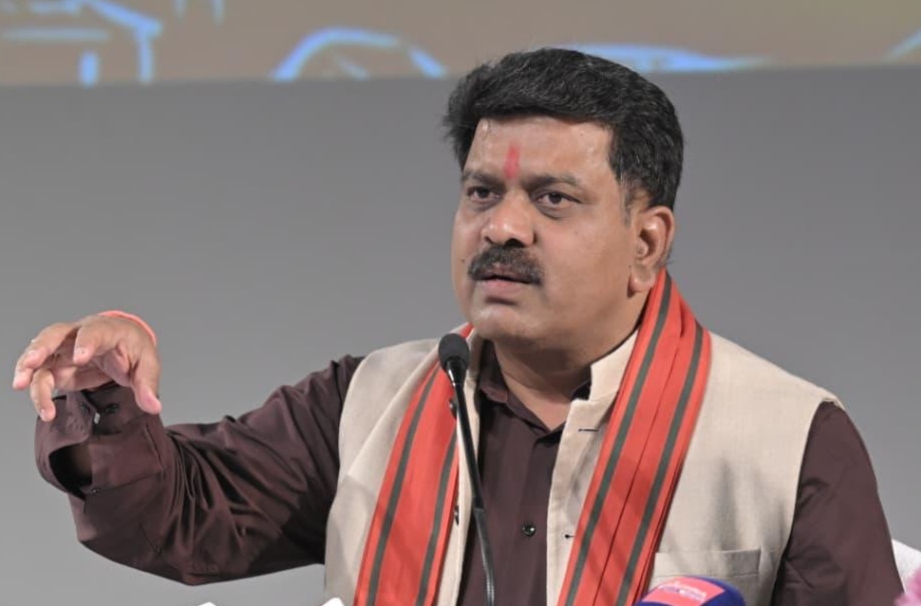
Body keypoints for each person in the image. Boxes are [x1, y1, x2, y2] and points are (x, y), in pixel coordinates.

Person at [14, 48, 901, 606]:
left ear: (646, 242)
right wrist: (104, 399)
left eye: (551, 198)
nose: (501, 227)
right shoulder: (369, 404)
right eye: (482, 191)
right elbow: (181, 514)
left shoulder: (789, 440)